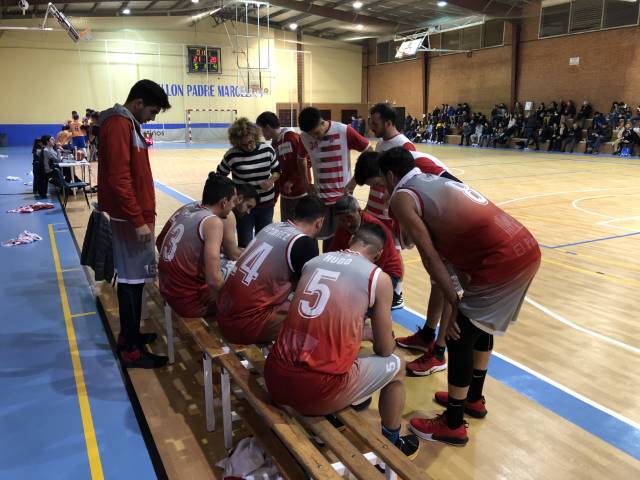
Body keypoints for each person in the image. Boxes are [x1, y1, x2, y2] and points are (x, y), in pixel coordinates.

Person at [378, 147, 540, 446]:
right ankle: (472, 399)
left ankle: (453, 424)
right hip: (524, 246)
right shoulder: (434, 180)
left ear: (390, 175)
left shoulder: (402, 196)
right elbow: (459, 255)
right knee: (479, 326)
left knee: (458, 335)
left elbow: (429, 255)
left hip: (502, 259)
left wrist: (455, 303)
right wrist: (459, 299)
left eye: (380, 182)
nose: (381, 190)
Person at [264, 224, 420, 460]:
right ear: (378, 254)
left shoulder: (314, 262)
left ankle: (338, 409)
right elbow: (384, 349)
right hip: (315, 392)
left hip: (274, 376)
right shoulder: (378, 278)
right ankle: (393, 444)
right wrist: (376, 332)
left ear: (352, 240)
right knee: (397, 366)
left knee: (337, 347)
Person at [98, 79, 171, 369]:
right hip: (129, 219)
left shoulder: (128, 123)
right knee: (130, 282)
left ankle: (130, 336)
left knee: (136, 281)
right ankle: (130, 349)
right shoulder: (119, 124)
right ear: (138, 103)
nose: (152, 118)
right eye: (152, 111)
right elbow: (119, 177)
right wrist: (138, 220)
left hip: (134, 217)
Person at [216, 196, 325, 345]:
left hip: (223, 312)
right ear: (319, 222)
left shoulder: (271, 227)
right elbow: (309, 294)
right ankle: (281, 357)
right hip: (243, 325)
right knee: (314, 314)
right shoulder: (304, 243)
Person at [156, 174, 237, 318]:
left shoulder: (188, 210)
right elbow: (214, 281)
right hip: (189, 301)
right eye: (233, 201)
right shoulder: (213, 222)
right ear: (224, 202)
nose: (234, 206)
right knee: (244, 284)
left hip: (167, 290)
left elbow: (159, 241)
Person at [297, 107, 371, 250]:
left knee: (343, 242)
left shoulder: (344, 131)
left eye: (316, 133)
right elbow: (300, 159)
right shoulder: (304, 137)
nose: (315, 137)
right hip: (320, 199)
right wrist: (306, 183)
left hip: (343, 199)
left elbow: (368, 151)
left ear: (322, 122)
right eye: (311, 135)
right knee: (323, 242)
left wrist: (354, 181)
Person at [329, 196, 404, 309]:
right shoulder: (342, 227)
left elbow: (376, 270)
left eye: (350, 218)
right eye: (342, 220)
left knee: (358, 304)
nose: (347, 223)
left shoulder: (377, 229)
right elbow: (333, 253)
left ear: (359, 211)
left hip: (386, 273)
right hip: (359, 269)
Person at [217, 118, 280, 247]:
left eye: (250, 142)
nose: (248, 146)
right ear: (237, 143)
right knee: (245, 243)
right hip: (243, 207)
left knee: (264, 242)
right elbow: (219, 177)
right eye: (243, 144)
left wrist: (271, 180)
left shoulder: (267, 150)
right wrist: (234, 195)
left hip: (266, 204)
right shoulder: (231, 155)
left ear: (255, 136)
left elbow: (277, 170)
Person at [256, 111, 311, 222]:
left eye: (261, 129)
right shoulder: (274, 144)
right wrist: (275, 198)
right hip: (285, 197)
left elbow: (308, 161)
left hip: (301, 194)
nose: (261, 133)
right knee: (287, 227)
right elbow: (277, 172)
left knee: (302, 228)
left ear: (267, 127)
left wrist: (291, 181)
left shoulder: (292, 137)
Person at [220, 183, 259, 278]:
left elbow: (224, 248)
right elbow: (233, 255)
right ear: (240, 198)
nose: (248, 212)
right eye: (248, 206)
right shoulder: (228, 215)